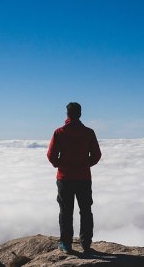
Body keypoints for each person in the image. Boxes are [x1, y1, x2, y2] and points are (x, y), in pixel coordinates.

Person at [46, 102, 102, 254]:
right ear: (80, 114)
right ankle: (86, 244)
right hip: (83, 178)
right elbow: (96, 155)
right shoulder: (89, 132)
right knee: (85, 210)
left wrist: (60, 165)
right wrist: (85, 165)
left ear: (67, 114)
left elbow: (51, 155)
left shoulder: (60, 132)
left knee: (65, 211)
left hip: (64, 178)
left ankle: (66, 244)